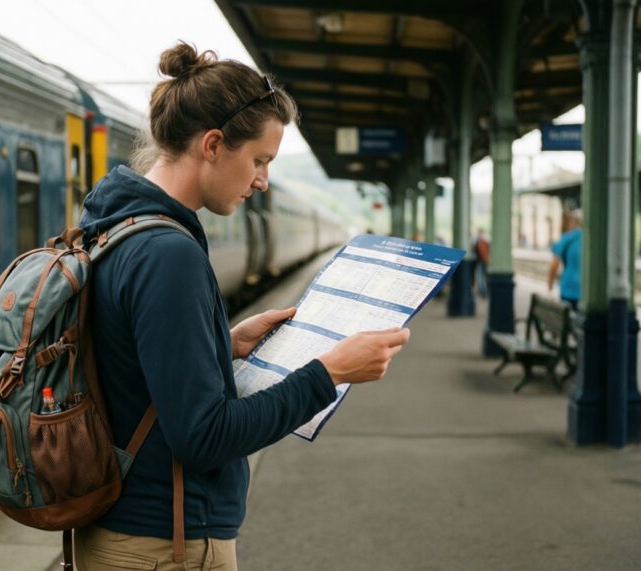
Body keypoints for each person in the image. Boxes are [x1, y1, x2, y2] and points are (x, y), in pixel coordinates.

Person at [75, 42, 411, 570]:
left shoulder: (117, 227)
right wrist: (329, 372)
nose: (262, 180)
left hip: (131, 532)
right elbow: (206, 436)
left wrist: (221, 345)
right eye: (259, 160)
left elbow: (127, 363)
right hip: (167, 547)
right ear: (212, 145)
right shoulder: (168, 254)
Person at [548, 209, 582, 310]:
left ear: (572, 222)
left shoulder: (567, 238)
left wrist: (550, 283)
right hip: (585, 290)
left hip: (569, 288)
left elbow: (554, 264)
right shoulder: (589, 240)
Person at [473, 228, 490, 298]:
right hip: (484, 262)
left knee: (480, 277)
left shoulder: (480, 242)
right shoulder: (485, 242)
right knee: (483, 277)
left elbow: (481, 253)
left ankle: (483, 291)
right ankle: (484, 291)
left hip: (481, 262)